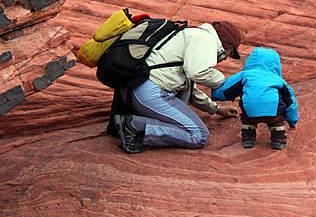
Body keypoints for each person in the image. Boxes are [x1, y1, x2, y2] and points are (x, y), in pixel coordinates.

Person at [114, 21, 243, 153]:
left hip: (139, 88)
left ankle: (136, 120)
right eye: (230, 52)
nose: (227, 58)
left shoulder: (193, 35)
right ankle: (133, 125)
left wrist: (217, 109)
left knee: (185, 91)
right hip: (150, 92)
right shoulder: (205, 39)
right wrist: (224, 82)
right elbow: (196, 72)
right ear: (226, 44)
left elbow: (190, 88)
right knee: (199, 135)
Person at [211, 47, 299, 150]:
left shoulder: (245, 75)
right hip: (273, 113)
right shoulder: (279, 80)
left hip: (250, 112)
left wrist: (215, 95)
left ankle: (248, 138)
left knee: (247, 117)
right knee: (277, 119)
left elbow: (227, 89)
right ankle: (278, 139)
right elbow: (290, 102)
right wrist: (293, 121)